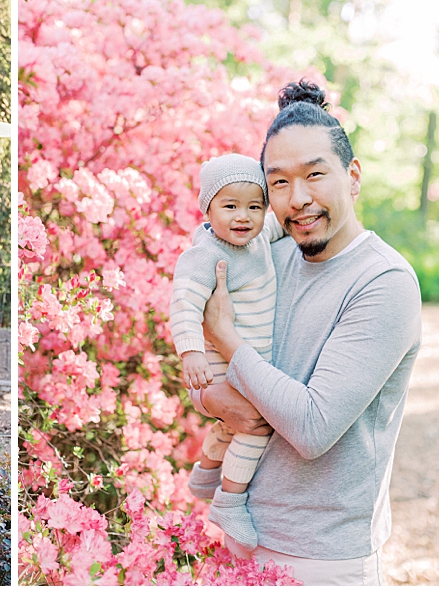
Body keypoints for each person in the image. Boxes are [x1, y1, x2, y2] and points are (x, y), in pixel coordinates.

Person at [191, 80, 422, 585]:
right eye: (278, 183)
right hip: (242, 537)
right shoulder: (266, 259)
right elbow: (203, 372)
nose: (298, 200)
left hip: (321, 561)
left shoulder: (383, 283)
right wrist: (212, 397)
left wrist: (228, 340)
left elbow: (313, 428)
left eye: (315, 175)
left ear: (353, 175)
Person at [170, 154, 283, 549]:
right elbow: (183, 303)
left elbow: (279, 225)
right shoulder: (206, 255)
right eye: (230, 206)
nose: (243, 216)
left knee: (232, 423)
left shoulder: (258, 239)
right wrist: (191, 354)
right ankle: (230, 500)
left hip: (245, 359)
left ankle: (206, 472)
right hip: (224, 362)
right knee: (256, 425)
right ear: (208, 208)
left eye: (254, 206)